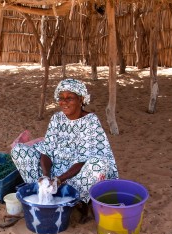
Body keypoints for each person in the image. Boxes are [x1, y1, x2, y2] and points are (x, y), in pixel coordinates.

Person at [11, 78, 119, 223]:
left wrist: (60, 179)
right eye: (61, 98)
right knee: (19, 150)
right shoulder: (57, 119)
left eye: (69, 98)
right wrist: (46, 176)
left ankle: (79, 201)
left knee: (98, 165)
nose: (64, 102)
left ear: (81, 99)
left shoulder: (90, 121)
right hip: (55, 174)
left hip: (78, 176)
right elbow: (47, 150)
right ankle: (42, 191)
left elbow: (83, 160)